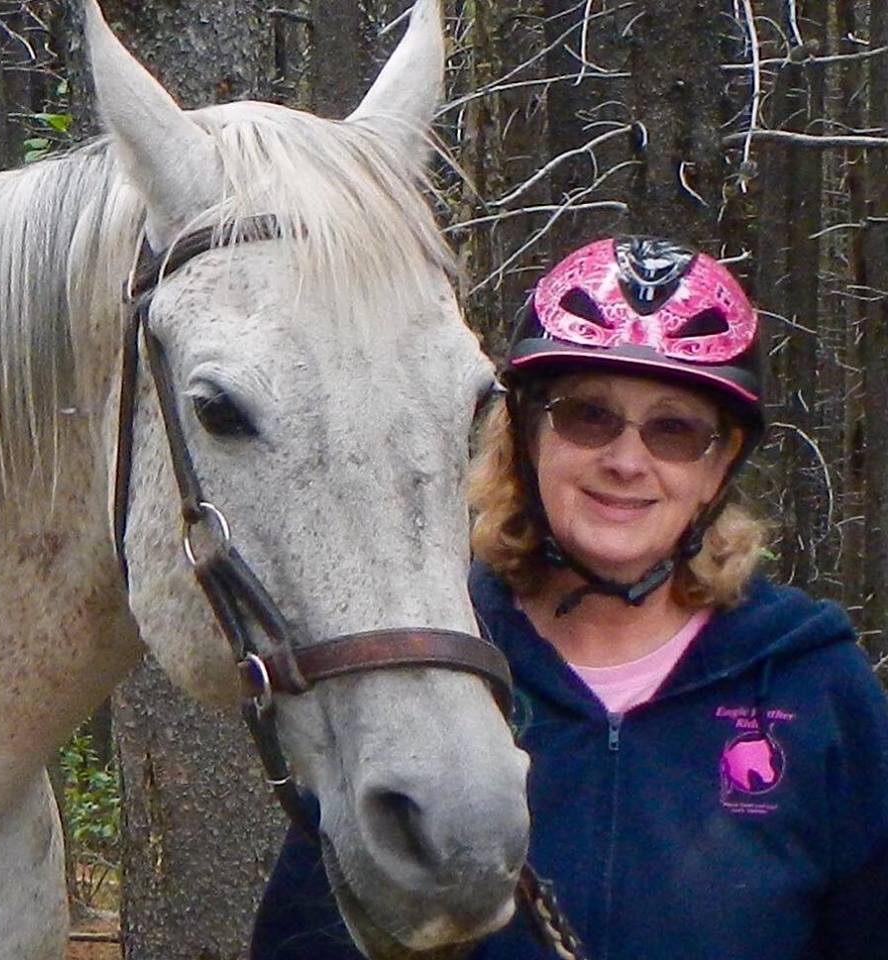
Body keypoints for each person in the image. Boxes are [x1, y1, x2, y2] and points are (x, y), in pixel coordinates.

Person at [250, 236, 888, 960]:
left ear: (718, 468)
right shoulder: (423, 663)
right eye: (588, 415)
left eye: (674, 430)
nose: (625, 460)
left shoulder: (815, 687)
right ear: (525, 434)